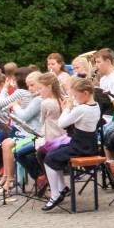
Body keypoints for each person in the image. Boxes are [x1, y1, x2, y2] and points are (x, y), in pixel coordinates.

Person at [41, 78, 102, 211]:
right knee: (54, 154)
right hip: (88, 145)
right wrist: (73, 107)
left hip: (80, 146)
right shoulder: (95, 106)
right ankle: (62, 188)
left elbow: (62, 124)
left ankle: (56, 194)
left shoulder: (82, 109)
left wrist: (67, 108)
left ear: (85, 93)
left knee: (49, 158)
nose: (74, 98)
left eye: (75, 95)